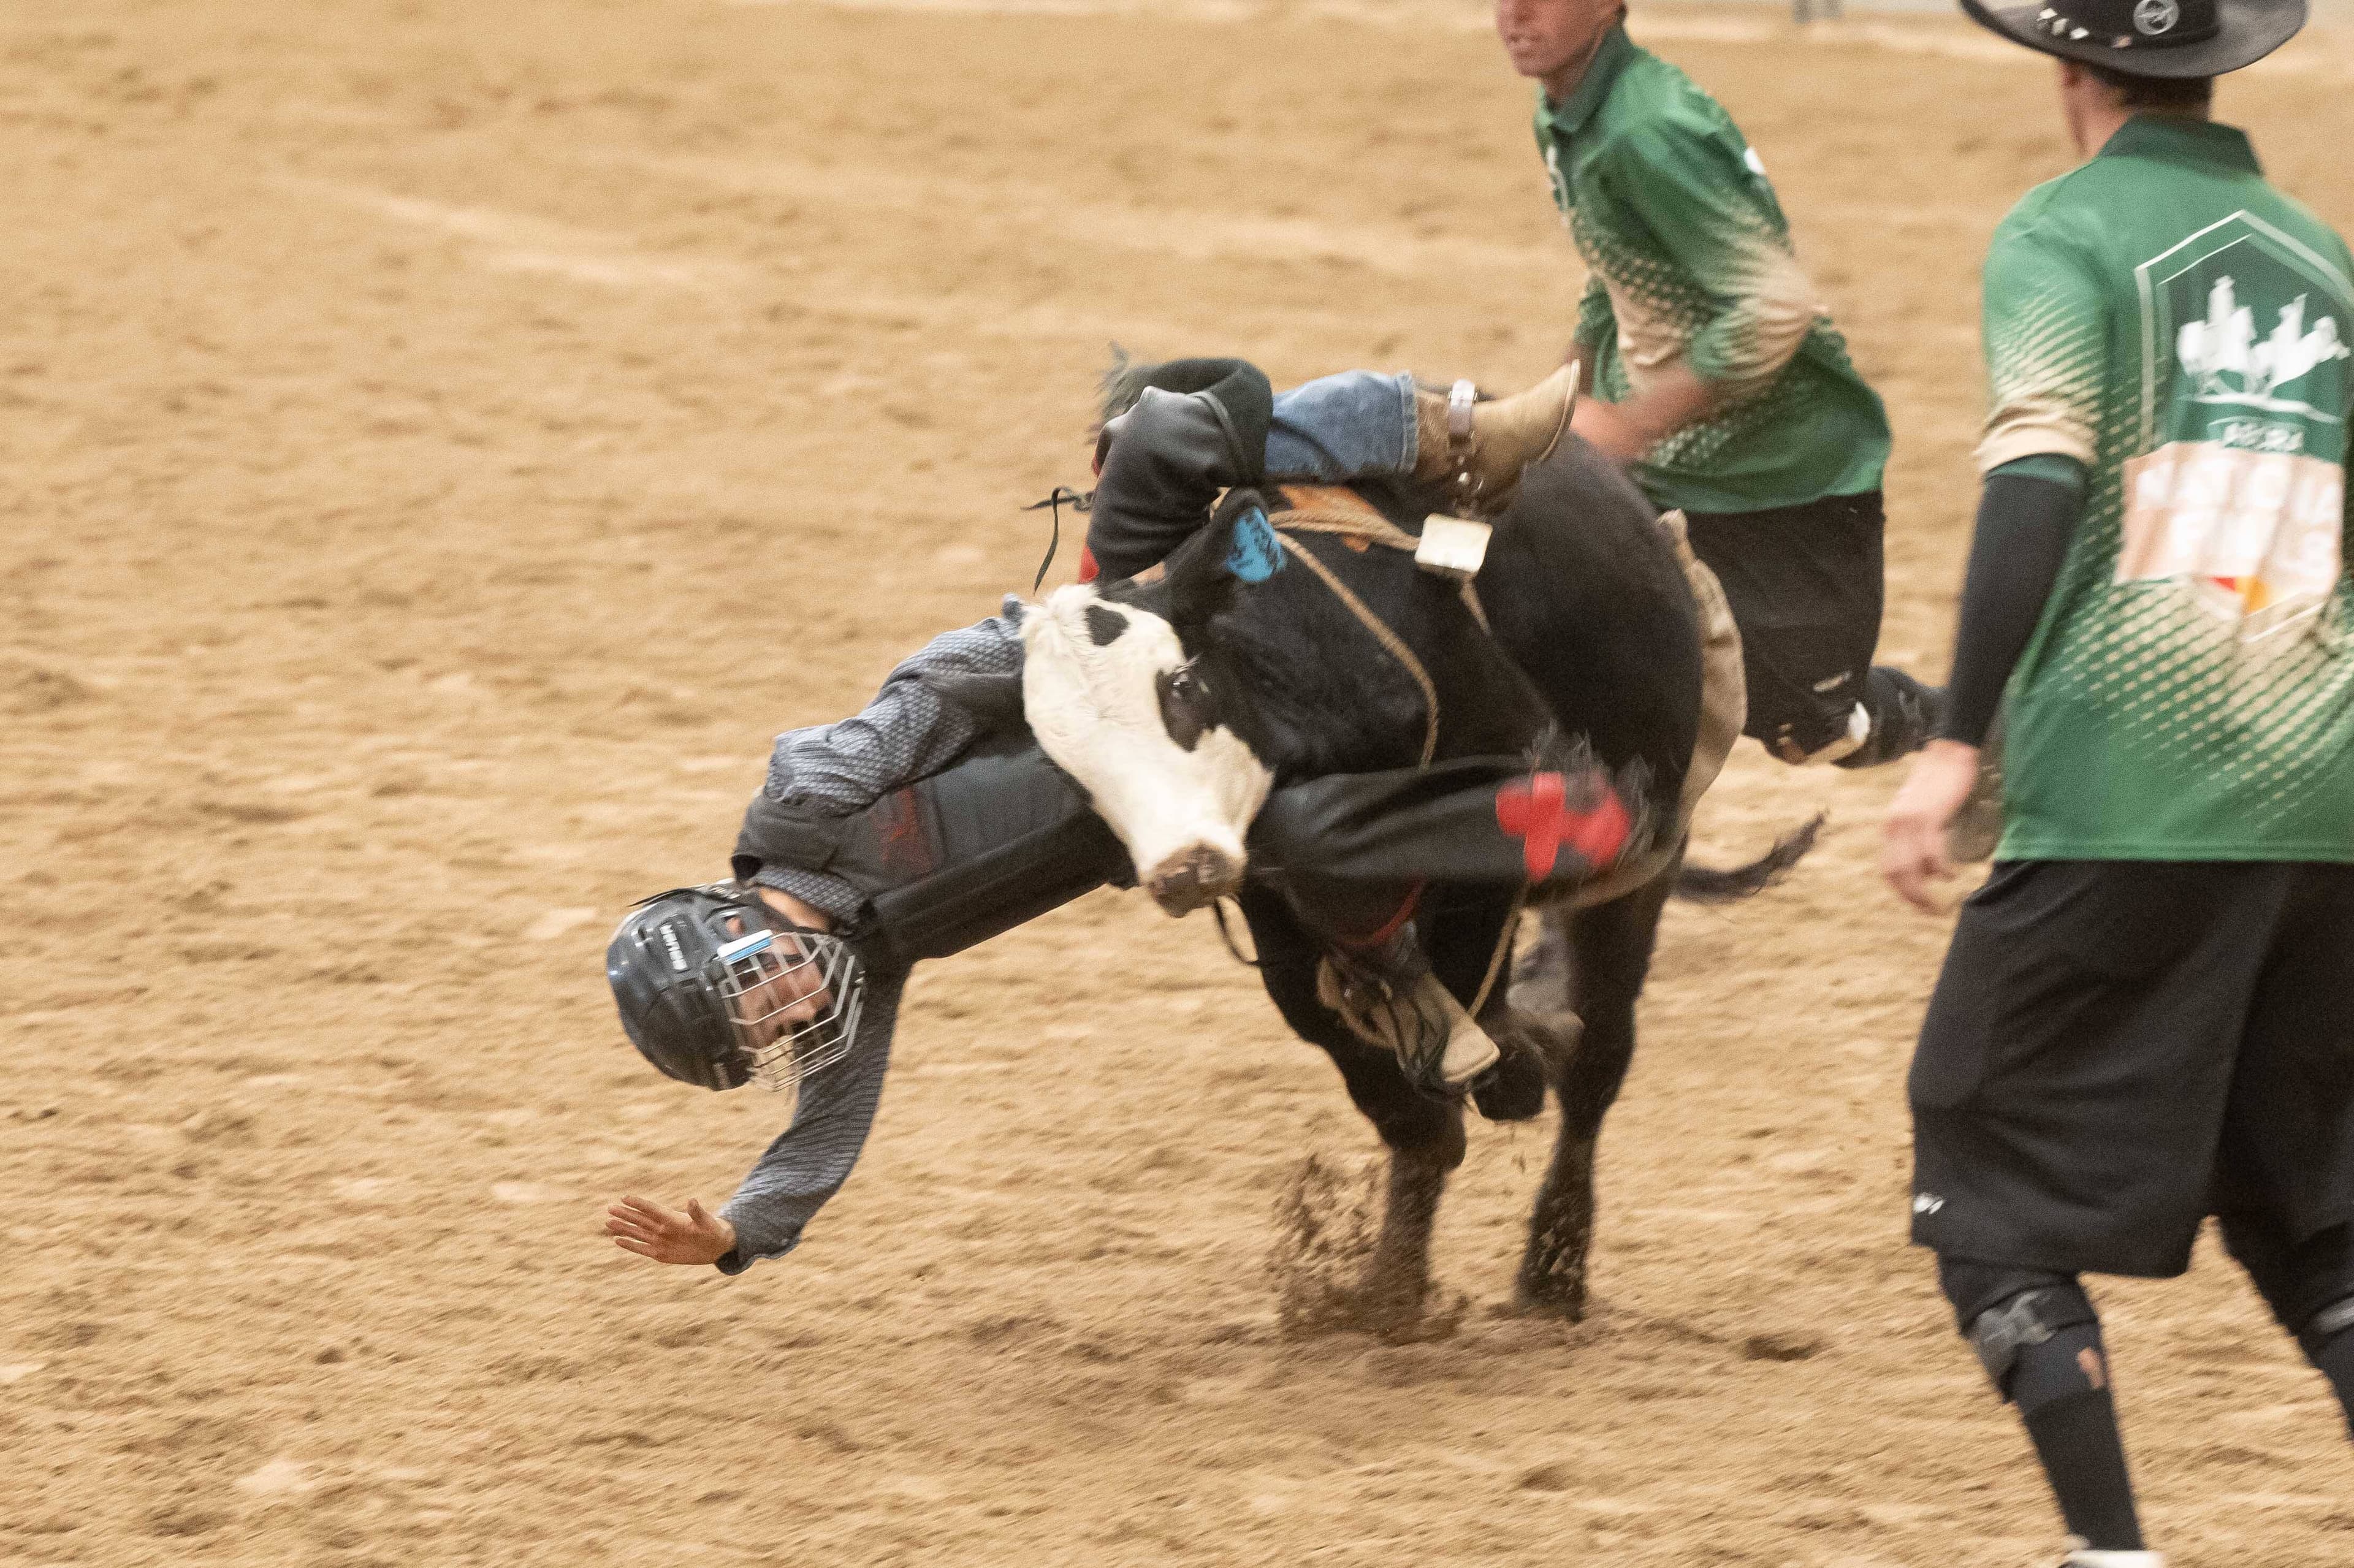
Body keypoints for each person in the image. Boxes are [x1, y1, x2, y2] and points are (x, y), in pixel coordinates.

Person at [1878, 0, 2354, 1560]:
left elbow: (2039, 478)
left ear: (2070, 68)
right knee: (2316, 1217)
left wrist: (1956, 740)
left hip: (2124, 798)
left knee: (1983, 1169)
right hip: (2324, 808)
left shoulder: (2063, 238)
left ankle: (2115, 1551)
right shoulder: (2328, 266)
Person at [604, 610, 1636, 1273]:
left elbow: (929, 690)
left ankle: (1554, 810)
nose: (788, 1009)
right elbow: (825, 1135)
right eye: (768, 1031)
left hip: (1124, 695)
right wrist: (740, 1230)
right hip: (1159, 829)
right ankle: (1442, 956)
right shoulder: (860, 974)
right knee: (1296, 875)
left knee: (1295, 830)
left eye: (754, 991)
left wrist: (1077, 668)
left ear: (728, 920)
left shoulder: (807, 798)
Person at [1094, 0, 1938, 767]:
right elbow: (1617, 268)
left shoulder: (1650, 127)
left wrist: (1631, 423)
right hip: (1688, 460)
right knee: (1576, 629)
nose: (1514, 10)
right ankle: (1568, 867)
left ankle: (1959, 728)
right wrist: (1568, 399)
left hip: (1791, 481)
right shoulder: (1569, 112)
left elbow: (1776, 308)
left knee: (1806, 728)